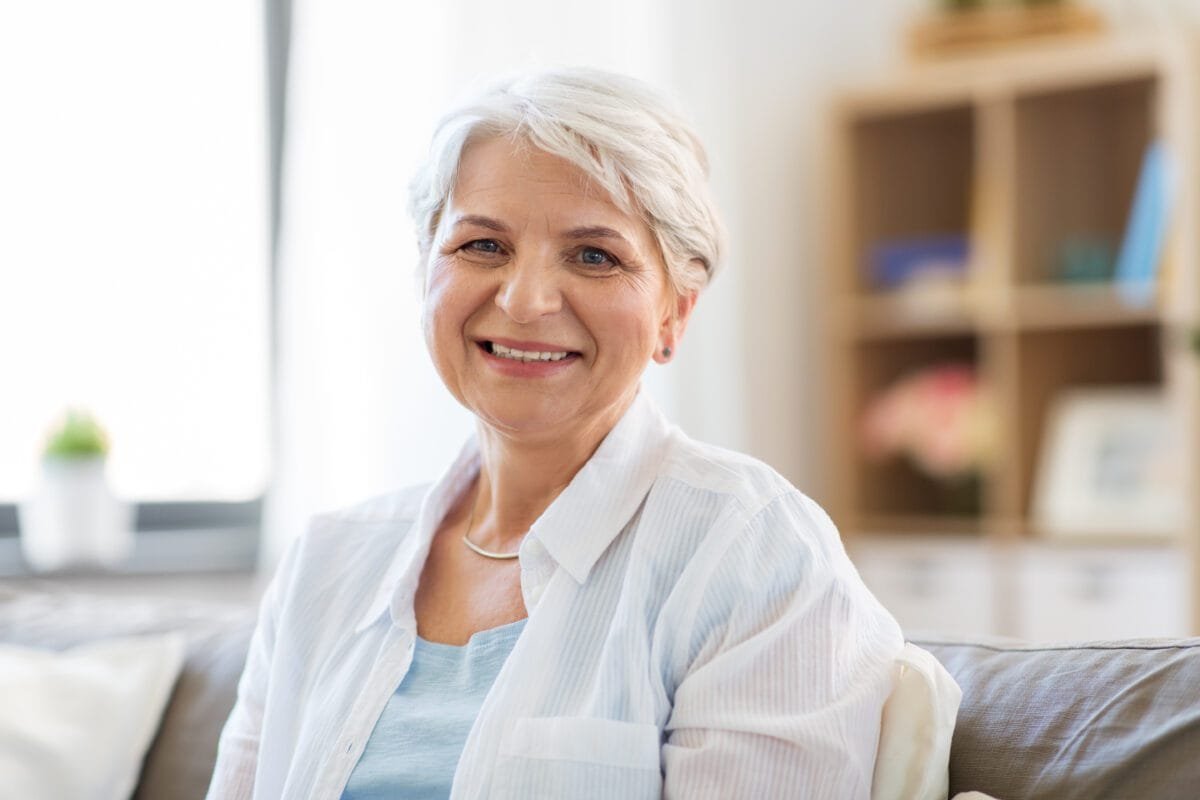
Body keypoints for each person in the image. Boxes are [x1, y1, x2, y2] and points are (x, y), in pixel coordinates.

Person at [207, 66, 903, 800]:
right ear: (424, 273)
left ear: (675, 314)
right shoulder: (325, 561)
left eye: (594, 256)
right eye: (482, 246)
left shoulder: (754, 553)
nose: (526, 300)